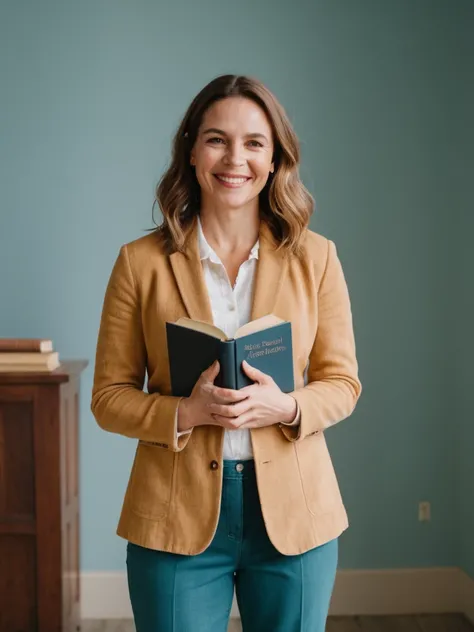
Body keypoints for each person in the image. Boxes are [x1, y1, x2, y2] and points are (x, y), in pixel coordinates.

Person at [91, 74, 362, 632]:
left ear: (274, 158)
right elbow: (107, 397)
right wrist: (185, 413)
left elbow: (342, 383)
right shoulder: (139, 263)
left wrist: (284, 408)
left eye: (254, 143)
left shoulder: (318, 258)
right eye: (216, 139)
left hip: (295, 516)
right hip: (173, 513)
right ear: (191, 150)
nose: (234, 158)